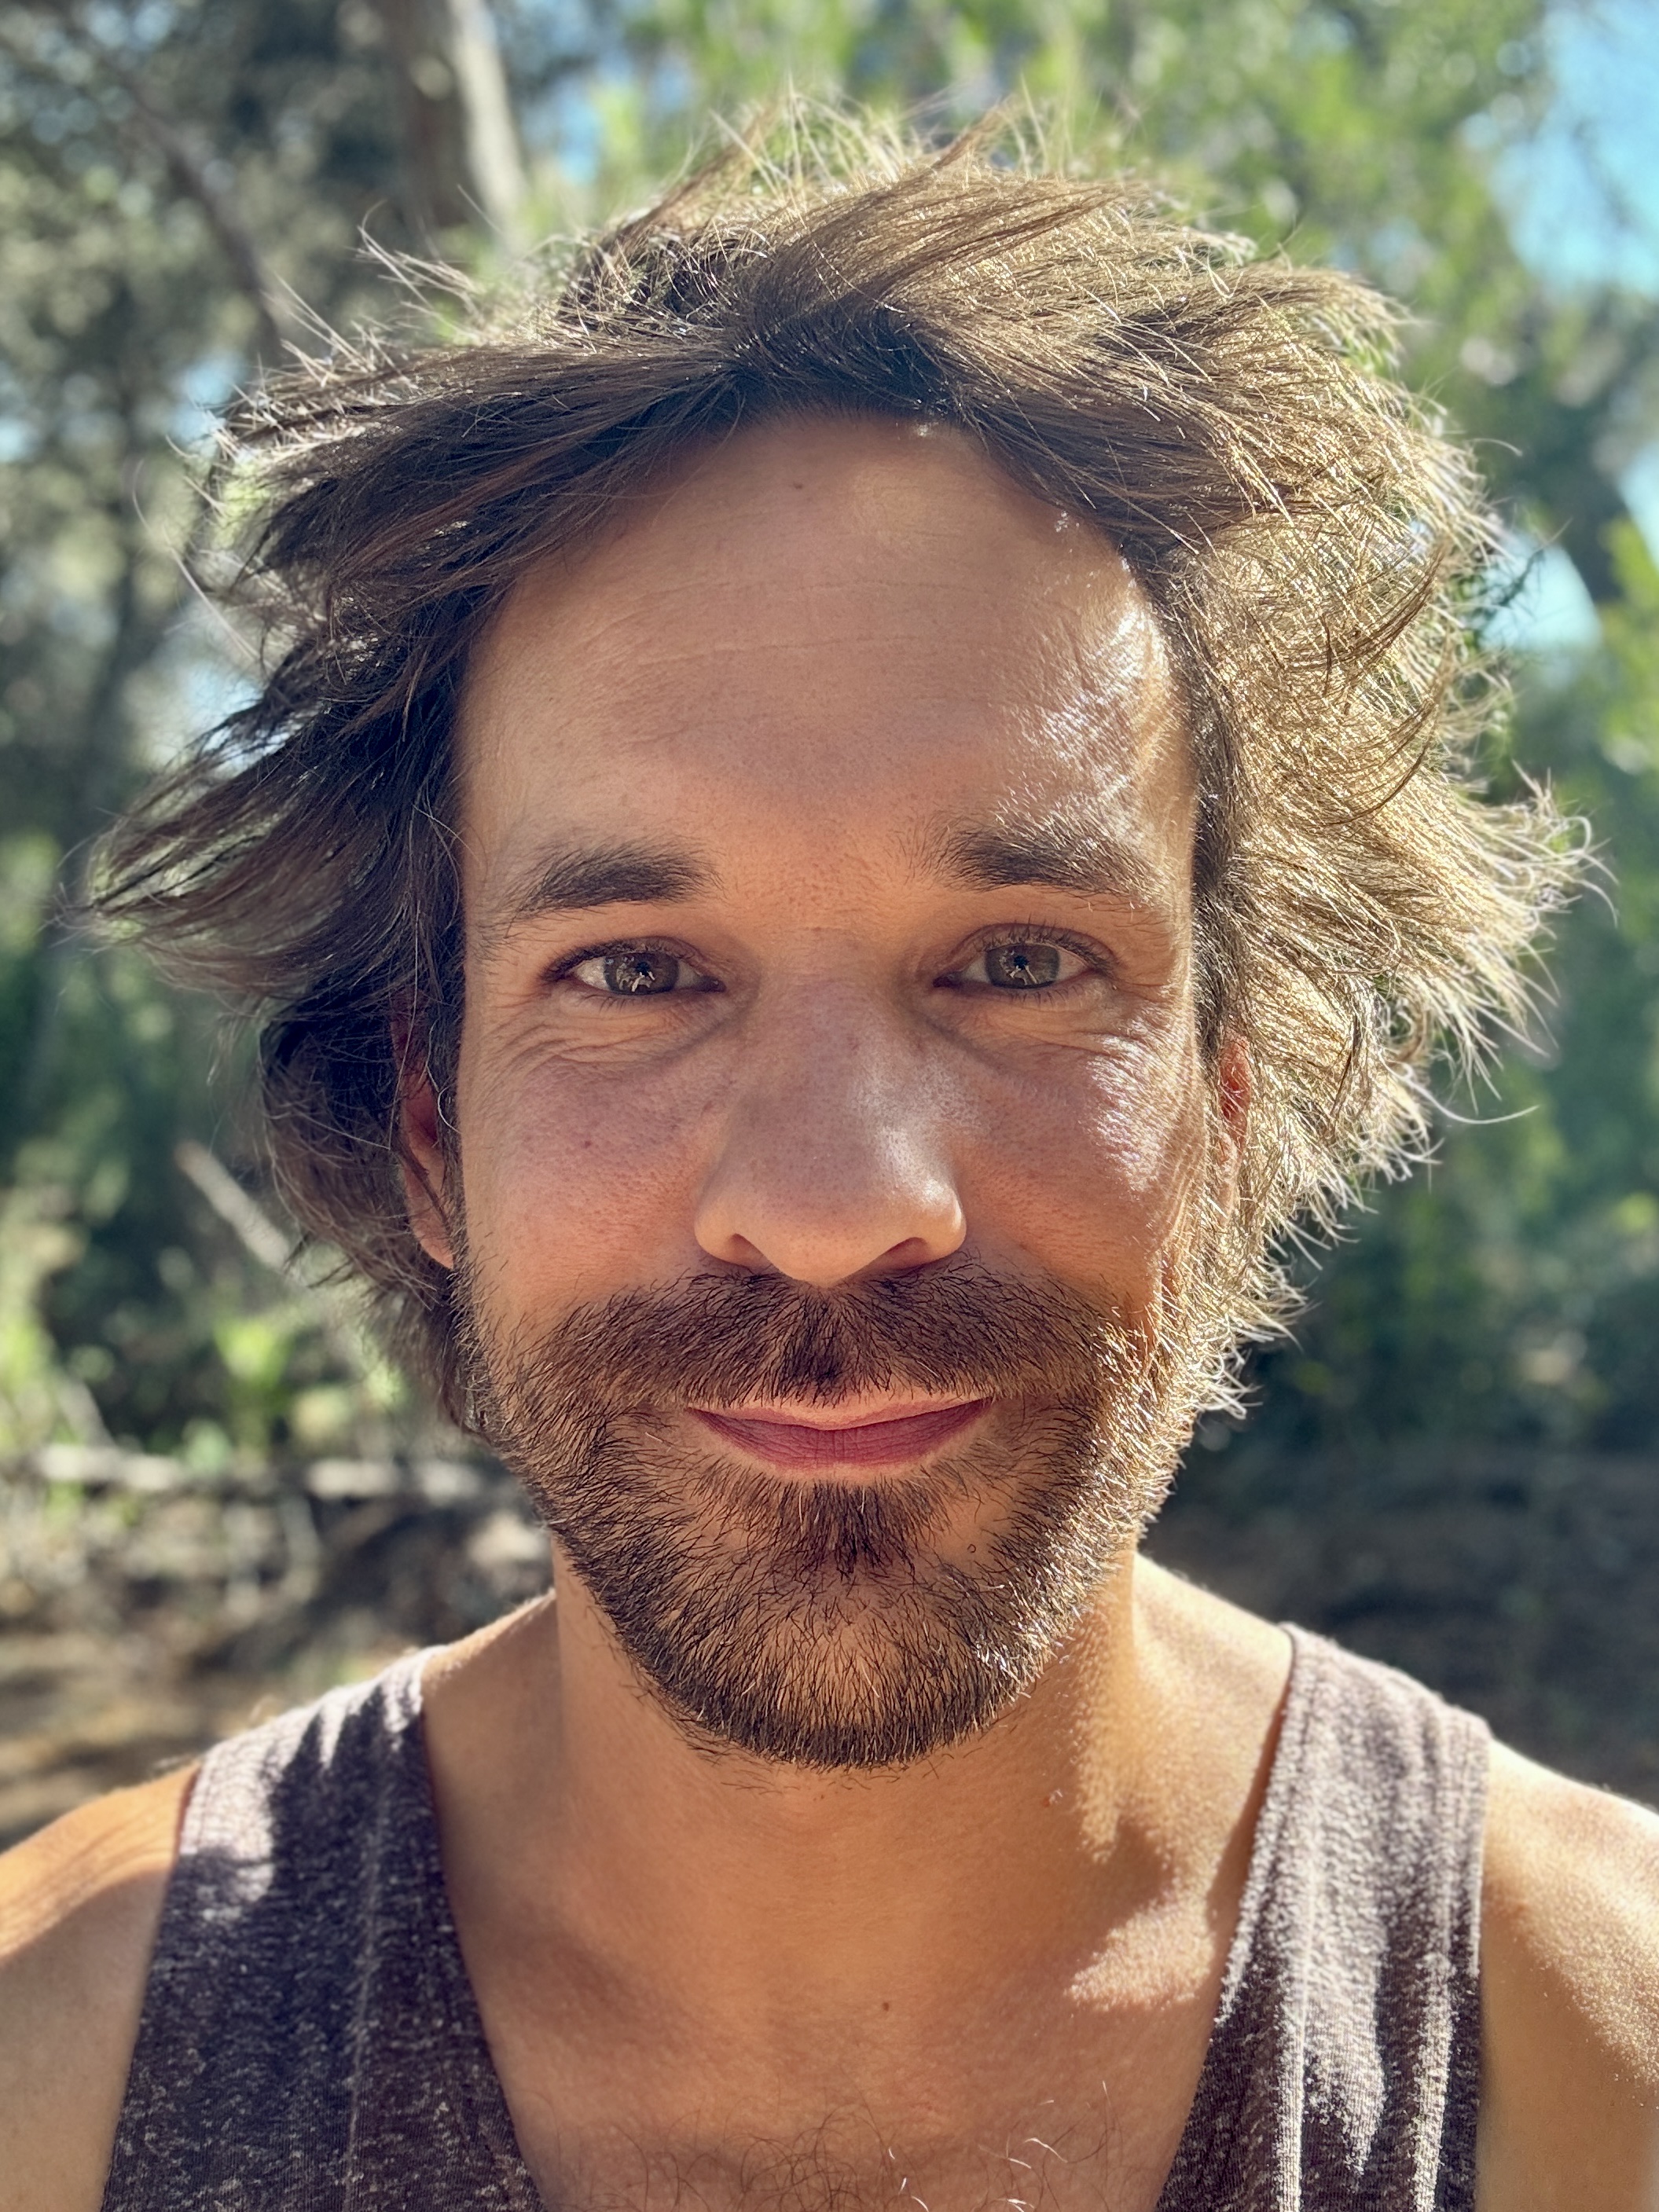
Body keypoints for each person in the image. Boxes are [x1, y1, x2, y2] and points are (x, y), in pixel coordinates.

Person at [2, 117, 1656, 2212]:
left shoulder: (1595, 2062)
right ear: (430, 1127)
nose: (835, 1203)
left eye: (1023, 962)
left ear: (1228, 1101)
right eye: (635, 971)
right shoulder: (58, 2069)